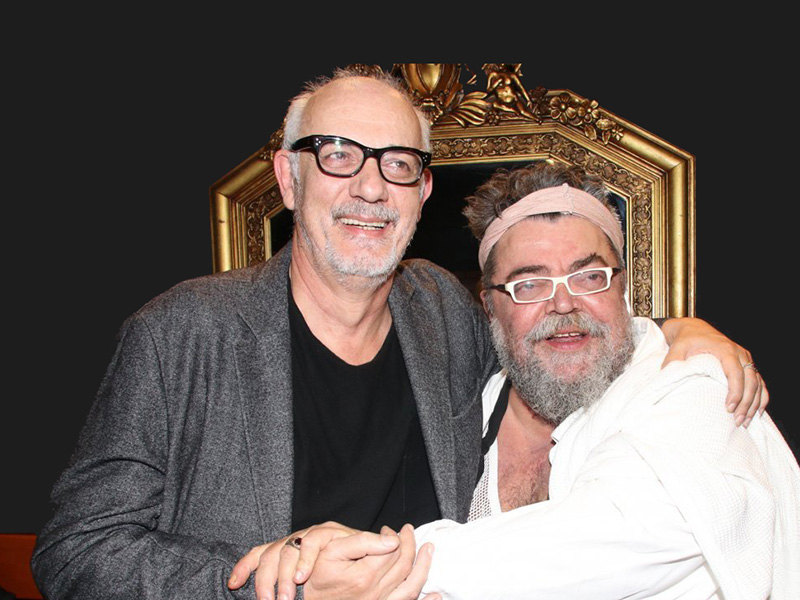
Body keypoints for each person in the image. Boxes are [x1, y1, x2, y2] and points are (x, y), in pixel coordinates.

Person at [31, 69, 767, 600]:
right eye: (338, 154)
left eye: (398, 163)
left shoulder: (442, 310)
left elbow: (552, 329)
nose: (370, 186)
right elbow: (74, 552)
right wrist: (267, 581)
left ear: (422, 192)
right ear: (288, 178)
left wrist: (677, 332)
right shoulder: (181, 333)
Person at [279, 162, 799, 599]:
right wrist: (305, 556)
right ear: (490, 307)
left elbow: (629, 531)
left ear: (621, 288)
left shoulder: (694, 381)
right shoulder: (464, 410)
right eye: (529, 283)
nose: (564, 303)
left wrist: (383, 569)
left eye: (589, 276)